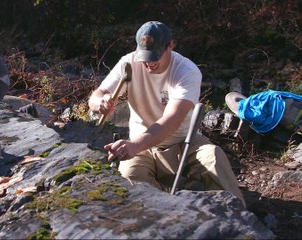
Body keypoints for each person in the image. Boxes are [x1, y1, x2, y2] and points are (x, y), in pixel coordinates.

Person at [88, 21, 246, 207]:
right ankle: (169, 204)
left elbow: (171, 121)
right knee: (129, 177)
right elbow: (95, 97)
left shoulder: (186, 71)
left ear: (171, 45)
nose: (148, 63)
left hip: (183, 142)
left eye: (155, 56)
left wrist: (134, 145)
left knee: (213, 157)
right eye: (144, 56)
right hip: (143, 148)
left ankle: (238, 216)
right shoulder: (128, 63)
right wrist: (101, 103)